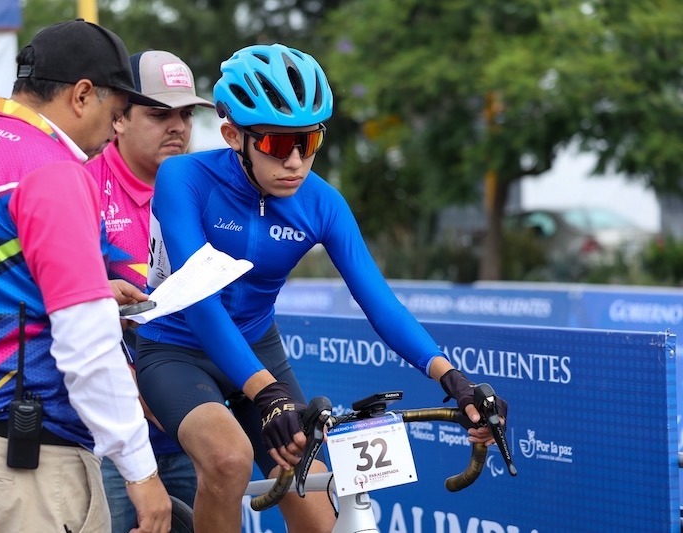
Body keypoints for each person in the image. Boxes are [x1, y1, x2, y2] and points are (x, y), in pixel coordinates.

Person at [133, 43, 509, 533]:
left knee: (316, 506)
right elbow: (200, 301)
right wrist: (268, 393)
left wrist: (452, 379)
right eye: (276, 144)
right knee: (228, 459)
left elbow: (379, 302)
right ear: (232, 135)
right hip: (177, 347)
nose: (295, 162)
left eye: (308, 142)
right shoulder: (183, 177)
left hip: (257, 347)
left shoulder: (322, 203)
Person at [0, 20, 172, 533]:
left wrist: (94, 289)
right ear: (82, 95)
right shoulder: (52, 168)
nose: (114, 132)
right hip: (24, 460)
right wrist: (141, 471)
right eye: (116, 114)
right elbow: (87, 343)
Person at [86, 49, 215, 531]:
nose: (178, 126)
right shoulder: (83, 186)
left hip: (190, 429)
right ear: (118, 118)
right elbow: (69, 314)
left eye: (186, 114)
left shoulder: (207, 187)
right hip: (110, 441)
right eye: (160, 114)